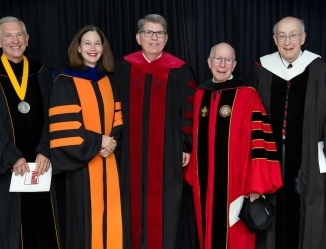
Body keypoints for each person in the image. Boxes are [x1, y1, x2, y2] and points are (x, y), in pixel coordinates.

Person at [184, 43, 282, 249]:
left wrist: (256, 183)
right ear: (209, 62)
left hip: (237, 185)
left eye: (228, 60)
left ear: (234, 64)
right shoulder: (201, 93)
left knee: (236, 238)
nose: (222, 64)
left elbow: (260, 140)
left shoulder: (247, 94)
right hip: (205, 182)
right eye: (218, 59)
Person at [115, 14, 196, 249]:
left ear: (166, 38)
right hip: (130, 152)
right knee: (131, 205)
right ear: (138, 37)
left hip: (168, 153)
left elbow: (188, 111)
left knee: (166, 208)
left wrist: (185, 145)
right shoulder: (123, 68)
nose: (154, 38)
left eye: (159, 33)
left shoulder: (180, 71)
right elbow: (115, 107)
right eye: (148, 33)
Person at [248, 16, 326, 249]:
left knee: (305, 209)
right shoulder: (260, 68)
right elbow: (248, 115)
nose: (288, 41)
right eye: (282, 36)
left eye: (293, 35)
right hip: (268, 155)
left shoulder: (320, 69)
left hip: (308, 155)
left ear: (303, 38)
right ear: (275, 39)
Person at [0, 16, 59, 249]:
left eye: (19, 35)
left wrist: (46, 149)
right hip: (9, 168)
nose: (15, 40)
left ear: (27, 39)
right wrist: (9, 155)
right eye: (8, 35)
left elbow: (56, 115)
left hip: (42, 165)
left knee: (45, 225)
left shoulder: (42, 72)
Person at [49, 25, 123, 249]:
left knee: (111, 215)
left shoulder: (108, 79)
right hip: (82, 164)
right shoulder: (65, 80)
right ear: (78, 48)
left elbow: (118, 119)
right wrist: (98, 141)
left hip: (108, 159)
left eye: (97, 43)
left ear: (103, 49)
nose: (93, 48)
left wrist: (111, 142)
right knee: (86, 219)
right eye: (87, 43)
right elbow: (65, 126)